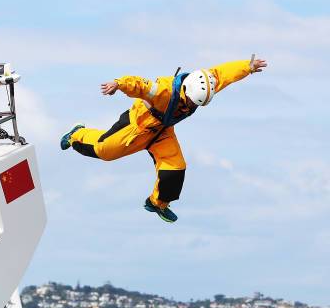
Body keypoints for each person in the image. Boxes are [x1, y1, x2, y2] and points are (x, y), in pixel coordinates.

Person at [60, 57, 267, 222]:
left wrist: (247, 67)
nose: (191, 107)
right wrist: (118, 84)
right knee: (105, 151)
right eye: (191, 102)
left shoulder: (206, 81)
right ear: (185, 90)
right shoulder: (163, 91)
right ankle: (77, 134)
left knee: (175, 168)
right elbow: (139, 85)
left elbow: (224, 74)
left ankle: (157, 203)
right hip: (138, 127)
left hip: (163, 132)